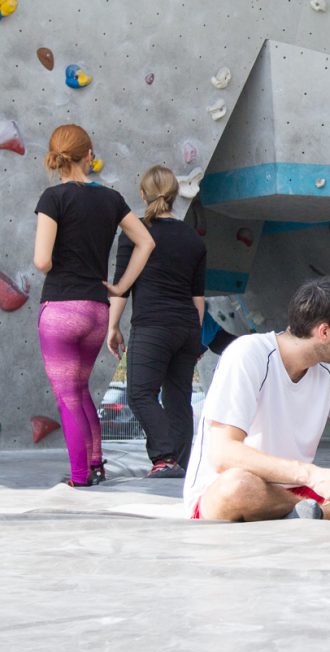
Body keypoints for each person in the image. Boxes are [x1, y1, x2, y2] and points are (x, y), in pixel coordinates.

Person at [182, 277, 330, 521]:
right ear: (324, 332)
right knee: (237, 486)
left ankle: (307, 513)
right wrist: (312, 475)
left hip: (298, 489)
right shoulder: (248, 354)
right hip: (233, 489)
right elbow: (223, 455)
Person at [33, 124, 155, 487]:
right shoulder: (111, 198)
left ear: (56, 157)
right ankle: (96, 462)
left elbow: (41, 261)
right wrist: (119, 286)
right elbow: (145, 242)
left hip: (60, 309)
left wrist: (56, 265)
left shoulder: (53, 198)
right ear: (90, 155)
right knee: (81, 387)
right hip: (96, 309)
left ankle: (79, 478)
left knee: (67, 395)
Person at [107, 166, 207, 479]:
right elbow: (198, 296)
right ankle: (180, 465)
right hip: (187, 327)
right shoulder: (193, 239)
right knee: (179, 397)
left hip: (153, 326)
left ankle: (164, 458)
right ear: (175, 195)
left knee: (139, 393)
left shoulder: (136, 233)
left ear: (142, 194)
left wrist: (112, 327)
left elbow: (121, 288)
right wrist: (195, 337)